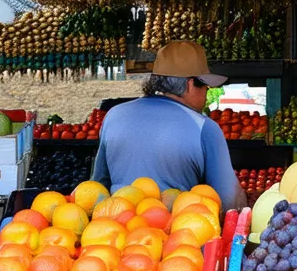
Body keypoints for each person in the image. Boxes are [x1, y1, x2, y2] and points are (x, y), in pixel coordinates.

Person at [91, 41, 245, 211]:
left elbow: (97, 187)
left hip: (117, 229)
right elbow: (230, 202)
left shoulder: (114, 115)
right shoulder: (205, 128)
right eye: (206, 86)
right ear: (190, 85)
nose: (207, 92)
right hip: (178, 232)